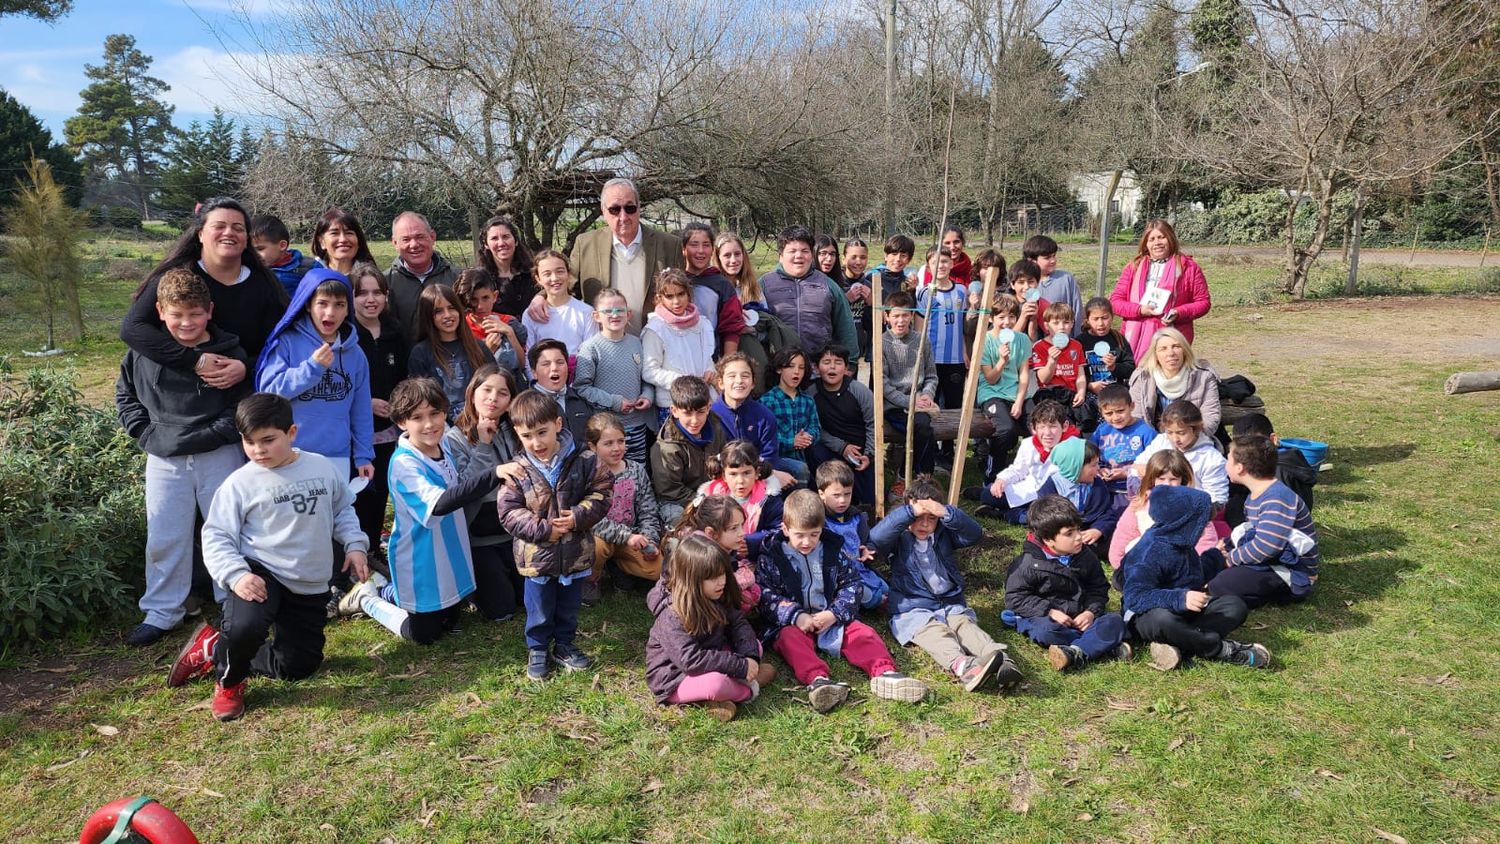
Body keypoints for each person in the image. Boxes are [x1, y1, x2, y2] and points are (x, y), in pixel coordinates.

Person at [169, 393, 369, 721]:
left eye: (268, 440)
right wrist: (237, 575)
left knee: (297, 667)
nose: (258, 450)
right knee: (246, 627)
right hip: (260, 570)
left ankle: (213, 647)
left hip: (308, 579)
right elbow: (216, 535)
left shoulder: (320, 467)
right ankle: (229, 681)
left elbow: (342, 509)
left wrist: (355, 545)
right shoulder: (239, 484)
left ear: (292, 433)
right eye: (249, 442)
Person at [116, 268, 251, 646]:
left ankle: (233, 600)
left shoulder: (228, 352)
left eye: (194, 314)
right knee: (164, 534)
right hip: (163, 455)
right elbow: (126, 396)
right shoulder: (143, 351)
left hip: (218, 453)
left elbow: (239, 406)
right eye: (177, 315)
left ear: (209, 311)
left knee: (228, 528)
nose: (186, 323)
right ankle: (162, 611)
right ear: (160, 311)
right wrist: (144, 433)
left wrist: (210, 436)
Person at [341, 378, 509, 645]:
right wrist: (494, 474)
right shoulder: (404, 464)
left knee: (451, 620)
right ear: (401, 423)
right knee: (424, 634)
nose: (429, 424)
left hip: (449, 554)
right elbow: (440, 503)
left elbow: (462, 484)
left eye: (434, 414)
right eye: (417, 418)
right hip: (419, 560)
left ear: (444, 413)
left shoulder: (443, 447)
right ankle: (370, 597)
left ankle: (396, 593)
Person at [756, 489, 929, 712]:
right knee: (790, 641)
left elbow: (852, 585)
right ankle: (818, 681)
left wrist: (834, 613)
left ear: (822, 530)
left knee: (862, 633)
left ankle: (884, 673)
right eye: (799, 535)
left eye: (814, 534)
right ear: (785, 529)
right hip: (792, 624)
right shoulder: (771, 557)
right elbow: (766, 596)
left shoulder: (832, 551)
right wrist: (795, 615)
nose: (807, 542)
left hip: (830, 618)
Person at [495, 389, 613, 680]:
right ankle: (537, 648)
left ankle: (564, 644)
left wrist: (578, 516)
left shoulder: (584, 459)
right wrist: (543, 530)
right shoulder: (518, 470)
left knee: (569, 605)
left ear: (558, 425)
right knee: (539, 607)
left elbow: (603, 491)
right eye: (527, 436)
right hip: (537, 557)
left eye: (542, 432)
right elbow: (509, 512)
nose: (536, 443)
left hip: (575, 553)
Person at [871, 479, 1022, 692]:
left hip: (949, 602)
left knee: (965, 626)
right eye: (918, 517)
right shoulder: (899, 537)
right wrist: (908, 512)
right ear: (908, 513)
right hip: (913, 608)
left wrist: (946, 512)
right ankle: (964, 666)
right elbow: (876, 537)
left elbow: (974, 534)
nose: (924, 524)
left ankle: (1000, 659)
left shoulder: (944, 533)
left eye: (931, 518)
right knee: (936, 633)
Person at [121, 197, 286, 384]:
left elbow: (282, 342)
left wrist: (247, 367)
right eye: (219, 226)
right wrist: (195, 361)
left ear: (246, 238)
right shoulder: (177, 277)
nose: (229, 233)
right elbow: (133, 328)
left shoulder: (264, 284)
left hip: (243, 394)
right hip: (177, 392)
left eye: (238, 228)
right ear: (200, 234)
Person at [1122, 485, 1269, 670]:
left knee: (1234, 606)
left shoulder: (1182, 544)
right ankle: (1220, 650)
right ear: (1185, 524)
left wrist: (1215, 557)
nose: (1203, 528)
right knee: (1164, 620)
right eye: (1201, 524)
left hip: (1183, 614)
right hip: (1147, 616)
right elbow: (1135, 597)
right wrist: (1181, 598)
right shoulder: (1150, 552)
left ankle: (1180, 645)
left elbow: (1193, 577)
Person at [253, 268, 374, 487]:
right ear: (308, 305)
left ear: (349, 310)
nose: (330, 313)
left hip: (337, 454)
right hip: (291, 452)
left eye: (339, 305)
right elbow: (269, 392)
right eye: (322, 303)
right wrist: (311, 368)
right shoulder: (287, 343)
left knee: (331, 518)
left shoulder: (355, 354)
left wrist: (364, 454)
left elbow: (361, 408)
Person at [646, 534, 776, 722]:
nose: (721, 581)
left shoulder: (718, 593)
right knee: (716, 684)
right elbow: (690, 661)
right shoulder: (671, 615)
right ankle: (746, 688)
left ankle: (729, 690)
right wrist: (739, 666)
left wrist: (750, 656)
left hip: (712, 652)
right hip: (676, 677)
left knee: (755, 645)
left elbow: (738, 623)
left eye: (722, 573)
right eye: (712, 578)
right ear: (691, 580)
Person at [1003, 495, 1130, 672]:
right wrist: (1049, 611)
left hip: (1081, 618)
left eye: (1078, 529)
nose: (1078, 537)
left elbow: (1098, 587)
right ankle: (1099, 644)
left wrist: (1090, 612)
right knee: (1046, 631)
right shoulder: (1028, 564)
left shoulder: (1085, 554)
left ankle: (1074, 652)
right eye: (1069, 534)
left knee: (1115, 621)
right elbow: (1015, 598)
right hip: (1050, 620)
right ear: (1048, 540)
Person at [545, 177, 681, 335]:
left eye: (630, 208)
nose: (623, 217)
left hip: (656, 345)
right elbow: (566, 286)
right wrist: (541, 298)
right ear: (603, 211)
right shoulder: (586, 244)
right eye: (615, 209)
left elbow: (684, 293)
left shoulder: (670, 245)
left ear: (639, 208)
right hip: (605, 348)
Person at [442, 365, 523, 621]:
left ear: (510, 401)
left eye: (502, 393)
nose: (493, 398)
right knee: (502, 611)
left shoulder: (514, 431)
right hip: (478, 536)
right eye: (486, 390)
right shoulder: (454, 438)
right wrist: (484, 444)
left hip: (514, 532)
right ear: (472, 392)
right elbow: (464, 488)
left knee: (527, 602)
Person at [1208, 435, 1319, 608]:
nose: (1225, 464)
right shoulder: (1256, 493)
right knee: (1212, 569)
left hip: (1289, 571)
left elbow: (1267, 545)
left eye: (1227, 458)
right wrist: (1227, 545)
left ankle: (1278, 594)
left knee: (1220, 584)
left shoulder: (1277, 498)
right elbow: (1255, 533)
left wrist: (1231, 558)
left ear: (1239, 468)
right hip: (1270, 561)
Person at [349, 263, 408, 568]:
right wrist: (365, 403)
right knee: (358, 494)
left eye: (377, 292)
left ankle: (372, 550)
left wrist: (397, 403)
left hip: (389, 431)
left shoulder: (395, 333)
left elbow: (403, 377)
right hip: (355, 433)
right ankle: (353, 551)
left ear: (386, 296)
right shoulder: (345, 335)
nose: (370, 299)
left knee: (381, 491)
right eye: (362, 293)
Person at [1110, 220, 1211, 364]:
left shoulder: (1189, 267)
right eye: (1152, 239)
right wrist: (1140, 310)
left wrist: (1178, 312)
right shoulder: (1133, 267)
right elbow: (1115, 302)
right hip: (1134, 338)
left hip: (1173, 338)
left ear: (1170, 238)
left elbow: (1203, 302)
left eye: (1161, 237)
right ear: (1146, 244)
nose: (1157, 242)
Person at [586, 412, 664, 597]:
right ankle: (590, 579)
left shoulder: (636, 470)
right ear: (592, 446)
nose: (616, 448)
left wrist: (649, 539)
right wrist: (627, 536)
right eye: (608, 443)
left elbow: (648, 509)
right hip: (601, 538)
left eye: (620, 441)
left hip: (632, 538)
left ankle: (619, 566)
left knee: (659, 569)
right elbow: (591, 519)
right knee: (597, 547)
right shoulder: (587, 475)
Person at [573, 288, 655, 464]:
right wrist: (615, 402)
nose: (614, 315)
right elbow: (582, 387)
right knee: (609, 474)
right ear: (596, 316)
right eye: (608, 311)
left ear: (629, 314)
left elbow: (646, 379)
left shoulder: (637, 343)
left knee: (636, 471)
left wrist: (647, 396)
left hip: (636, 426)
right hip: (606, 430)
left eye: (620, 310)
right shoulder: (591, 348)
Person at [1108, 449, 1218, 577]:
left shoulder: (1194, 506)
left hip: (1182, 568)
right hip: (1147, 566)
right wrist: (1121, 566)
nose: (1167, 484)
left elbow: (1206, 540)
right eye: (1161, 478)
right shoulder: (1141, 504)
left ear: (1183, 479)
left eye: (1173, 479)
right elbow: (1124, 535)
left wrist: (1197, 570)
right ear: (1152, 479)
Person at [758, 225, 859, 359]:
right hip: (778, 369)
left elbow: (845, 327)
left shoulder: (828, 285)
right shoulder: (764, 285)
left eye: (805, 251)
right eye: (792, 251)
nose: (799, 256)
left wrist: (851, 361)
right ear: (781, 256)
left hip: (819, 369)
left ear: (812, 255)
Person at [972, 400, 1079, 522]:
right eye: (1042, 427)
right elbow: (1018, 469)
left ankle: (1004, 514)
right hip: (1029, 490)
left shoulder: (1073, 447)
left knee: (1044, 518)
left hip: (1055, 497)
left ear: (1064, 426)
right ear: (1033, 428)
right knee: (990, 495)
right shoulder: (1029, 444)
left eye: (1053, 426)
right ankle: (984, 494)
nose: (1047, 433)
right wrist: (1002, 479)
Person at [406, 284, 494, 422]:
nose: (447, 315)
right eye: (438, 311)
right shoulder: (421, 353)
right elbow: (421, 400)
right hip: (443, 429)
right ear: (429, 316)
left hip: (481, 421)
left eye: (451, 308)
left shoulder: (477, 346)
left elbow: (494, 383)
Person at [651, 375, 731, 524]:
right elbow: (670, 491)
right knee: (682, 522)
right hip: (677, 501)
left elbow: (725, 460)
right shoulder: (666, 447)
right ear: (674, 411)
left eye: (700, 412)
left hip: (713, 492)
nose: (695, 421)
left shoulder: (716, 425)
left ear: (708, 407)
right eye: (687, 413)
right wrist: (706, 502)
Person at [880, 291, 938, 493]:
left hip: (921, 402)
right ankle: (908, 476)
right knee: (919, 428)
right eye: (896, 315)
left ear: (912, 316)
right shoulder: (882, 343)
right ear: (886, 317)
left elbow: (931, 376)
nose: (901, 320)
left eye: (905, 315)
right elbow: (883, 384)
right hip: (895, 405)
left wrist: (927, 396)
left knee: (924, 427)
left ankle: (923, 479)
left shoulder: (922, 341)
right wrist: (909, 402)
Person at [808, 343, 877, 508]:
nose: (832, 367)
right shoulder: (811, 393)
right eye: (826, 362)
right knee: (813, 450)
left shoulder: (859, 391)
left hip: (859, 453)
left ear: (846, 368)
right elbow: (813, 427)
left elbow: (873, 424)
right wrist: (841, 447)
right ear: (817, 368)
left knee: (869, 502)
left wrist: (869, 454)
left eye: (838, 362)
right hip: (829, 449)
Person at [643, 268, 718, 418]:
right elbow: (649, 371)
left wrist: (710, 372)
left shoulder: (702, 324)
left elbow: (707, 357)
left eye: (680, 294)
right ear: (660, 298)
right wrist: (685, 383)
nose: (676, 301)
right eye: (669, 296)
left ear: (688, 294)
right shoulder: (656, 328)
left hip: (704, 401)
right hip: (674, 403)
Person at [815, 461, 889, 611]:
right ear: (821, 494)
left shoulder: (857, 517)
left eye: (847, 494)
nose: (842, 500)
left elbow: (866, 541)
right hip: (840, 576)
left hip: (860, 569)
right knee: (873, 598)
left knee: (886, 588)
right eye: (836, 495)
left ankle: (878, 599)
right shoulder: (820, 522)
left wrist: (867, 550)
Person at [696, 439, 788, 561]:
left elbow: (780, 530)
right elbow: (700, 529)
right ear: (724, 475)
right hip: (716, 559)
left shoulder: (769, 499)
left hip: (755, 559)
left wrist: (753, 543)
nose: (740, 481)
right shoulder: (710, 497)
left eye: (746, 473)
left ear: (757, 473)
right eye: (733, 474)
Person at [711, 353, 795, 481]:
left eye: (745, 376)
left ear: (753, 383)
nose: (739, 381)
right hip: (724, 475)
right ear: (720, 383)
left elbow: (769, 457)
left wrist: (755, 475)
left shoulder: (764, 416)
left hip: (757, 474)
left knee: (799, 470)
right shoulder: (711, 416)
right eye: (732, 376)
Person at [1224, 413, 1317, 527]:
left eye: (1256, 446)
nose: (1249, 455)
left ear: (1273, 439)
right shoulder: (1273, 462)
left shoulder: (1278, 474)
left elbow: (1281, 520)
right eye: (1242, 450)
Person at [1133, 399, 1229, 509]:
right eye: (1169, 432)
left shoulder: (1211, 459)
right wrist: (1151, 471)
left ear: (1196, 429)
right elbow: (1137, 466)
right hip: (1157, 505)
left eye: (1181, 433)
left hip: (1193, 511)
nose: (1175, 439)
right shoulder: (1161, 441)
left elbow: (1217, 500)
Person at [976, 293, 1032, 481]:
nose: (1007, 322)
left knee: (1038, 423)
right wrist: (1002, 361)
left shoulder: (1022, 339)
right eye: (1001, 317)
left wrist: (1019, 400)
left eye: (1011, 317)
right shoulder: (984, 340)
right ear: (991, 318)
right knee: (1006, 430)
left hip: (1016, 393)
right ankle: (992, 475)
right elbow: (990, 379)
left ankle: (1030, 473)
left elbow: (1024, 374)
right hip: (991, 394)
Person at [1127, 327, 1222, 437]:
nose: (1171, 353)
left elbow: (1210, 416)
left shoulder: (1204, 376)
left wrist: (1187, 438)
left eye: (1176, 346)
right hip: (1152, 440)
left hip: (1193, 439)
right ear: (1155, 354)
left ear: (1184, 350)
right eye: (1163, 348)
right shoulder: (1142, 377)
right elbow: (1137, 416)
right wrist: (1155, 443)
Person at [671, 495, 759, 612]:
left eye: (741, 526)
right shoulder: (699, 556)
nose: (742, 533)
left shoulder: (722, 545)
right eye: (734, 528)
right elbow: (704, 588)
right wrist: (743, 579)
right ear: (711, 533)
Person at [1035, 439, 1122, 556]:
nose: (1098, 469)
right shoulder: (1050, 488)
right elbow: (1048, 521)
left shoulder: (1097, 484)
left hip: (1088, 535)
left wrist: (1098, 530)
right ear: (1075, 467)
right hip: (1063, 535)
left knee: (1116, 540)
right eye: (1093, 465)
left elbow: (1106, 513)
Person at [915, 246, 968, 425]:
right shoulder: (925, 293)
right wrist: (920, 354)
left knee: (954, 403)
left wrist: (965, 352)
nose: (941, 266)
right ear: (929, 267)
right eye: (935, 262)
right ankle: (933, 447)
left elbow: (962, 325)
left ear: (952, 263)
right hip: (932, 359)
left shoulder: (961, 291)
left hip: (955, 359)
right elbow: (919, 328)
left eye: (945, 261)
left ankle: (948, 448)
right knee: (931, 401)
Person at [386, 211, 460, 335]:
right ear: (395, 243)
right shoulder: (385, 283)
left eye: (420, 237)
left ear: (432, 237)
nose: (414, 245)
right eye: (406, 239)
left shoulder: (457, 278)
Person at [520, 249, 598, 362]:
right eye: (547, 274)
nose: (555, 278)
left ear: (568, 273)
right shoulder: (531, 314)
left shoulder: (586, 312)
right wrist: (534, 379)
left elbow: (591, 354)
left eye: (560, 271)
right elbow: (528, 356)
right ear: (538, 279)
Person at [681, 221, 746, 355]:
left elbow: (731, 328)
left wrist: (726, 366)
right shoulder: (674, 282)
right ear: (684, 249)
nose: (700, 251)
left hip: (711, 361)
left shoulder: (722, 285)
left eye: (706, 245)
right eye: (694, 244)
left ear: (712, 250)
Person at [454, 267, 527, 383]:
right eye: (474, 300)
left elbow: (523, 364)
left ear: (495, 296)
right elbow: (463, 372)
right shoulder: (461, 327)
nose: (480, 306)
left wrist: (509, 333)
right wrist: (488, 350)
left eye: (485, 298)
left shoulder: (508, 321)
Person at [758, 348, 819, 482]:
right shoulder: (767, 400)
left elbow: (815, 427)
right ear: (779, 369)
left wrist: (808, 437)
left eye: (801, 368)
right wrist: (791, 441)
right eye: (791, 366)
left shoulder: (807, 400)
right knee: (800, 469)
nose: (796, 371)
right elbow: (763, 436)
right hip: (776, 459)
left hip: (804, 456)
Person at [1076, 297, 1136, 425]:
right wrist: (1089, 386)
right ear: (1087, 320)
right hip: (1091, 397)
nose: (1101, 324)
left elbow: (1131, 368)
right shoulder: (1080, 342)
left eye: (1105, 318)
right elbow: (1075, 371)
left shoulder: (1118, 339)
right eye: (1095, 319)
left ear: (1112, 317)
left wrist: (1115, 367)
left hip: (1116, 396)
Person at [1029, 301, 1089, 427]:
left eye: (1066, 322)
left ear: (1072, 324)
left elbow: (1080, 375)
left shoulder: (1076, 345)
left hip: (1071, 394)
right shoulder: (1040, 346)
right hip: (1049, 395)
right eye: (1056, 323)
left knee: (1084, 420)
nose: (1061, 327)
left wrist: (1081, 392)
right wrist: (1051, 361)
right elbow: (1043, 378)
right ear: (1046, 325)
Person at [1089, 383, 1155, 496]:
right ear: (1101, 413)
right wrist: (1098, 469)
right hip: (1105, 490)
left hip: (1137, 491)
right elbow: (1090, 455)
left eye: (1120, 411)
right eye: (1109, 413)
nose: (1115, 417)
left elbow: (1156, 465)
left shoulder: (1146, 432)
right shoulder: (1101, 430)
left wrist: (1126, 473)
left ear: (1132, 406)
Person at [527, 339, 593, 444]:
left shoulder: (581, 399)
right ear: (534, 372)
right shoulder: (525, 405)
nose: (554, 368)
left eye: (560, 362)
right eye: (546, 364)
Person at [476, 215, 537, 319]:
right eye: (494, 238)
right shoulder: (479, 279)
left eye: (506, 237)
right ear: (486, 244)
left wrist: (541, 295)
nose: (501, 243)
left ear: (516, 241)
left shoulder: (534, 272)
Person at [1022, 235, 1083, 335]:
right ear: (1031, 260)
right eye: (1047, 258)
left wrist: (1076, 339)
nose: (1053, 260)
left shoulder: (1066, 279)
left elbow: (1077, 311)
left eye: (1054, 256)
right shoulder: (1023, 285)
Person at [251, 214, 318, 300]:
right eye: (251, 250)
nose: (254, 255)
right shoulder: (250, 271)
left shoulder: (309, 267)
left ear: (282, 245)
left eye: (260, 249)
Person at [310, 208, 377, 278]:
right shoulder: (311, 276)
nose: (343, 239)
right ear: (322, 242)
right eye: (334, 233)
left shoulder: (372, 279)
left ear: (358, 240)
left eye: (349, 233)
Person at [837, 238, 873, 364]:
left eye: (863, 257)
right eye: (853, 257)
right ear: (843, 259)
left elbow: (870, 326)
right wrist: (845, 300)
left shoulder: (870, 285)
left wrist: (870, 304)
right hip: (836, 348)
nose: (858, 262)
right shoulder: (835, 284)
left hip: (857, 349)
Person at [867, 234, 917, 308]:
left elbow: (910, 310)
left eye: (903, 256)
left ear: (909, 260)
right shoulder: (872, 277)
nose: (898, 259)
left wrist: (911, 291)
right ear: (886, 256)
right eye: (894, 254)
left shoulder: (906, 282)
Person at [715, 231, 762, 307]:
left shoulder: (753, 286)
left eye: (737, 254)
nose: (733, 260)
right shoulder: (713, 289)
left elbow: (766, 315)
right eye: (727, 255)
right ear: (718, 258)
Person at [1008, 259, 1045, 342]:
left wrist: (1033, 319)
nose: (1026, 287)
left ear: (1038, 282)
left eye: (1031, 282)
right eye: (1021, 282)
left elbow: (1034, 341)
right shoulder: (1005, 304)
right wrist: (1023, 316)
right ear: (1012, 285)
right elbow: (1008, 340)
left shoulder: (1043, 305)